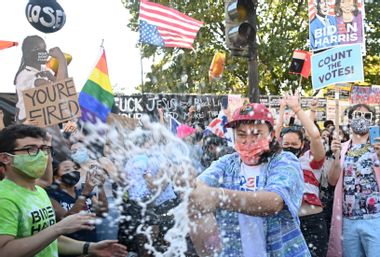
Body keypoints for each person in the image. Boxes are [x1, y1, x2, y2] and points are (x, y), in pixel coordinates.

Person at [189, 103, 310, 257]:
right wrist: (187, 183)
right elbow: (198, 190)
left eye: (256, 133)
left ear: (271, 135)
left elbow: (274, 202)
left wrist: (218, 197)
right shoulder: (226, 163)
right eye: (241, 134)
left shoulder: (284, 161)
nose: (248, 140)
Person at [0, 124, 128, 257]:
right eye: (31, 149)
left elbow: (48, 240)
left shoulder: (39, 191)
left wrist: (90, 248)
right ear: (5, 158)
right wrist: (59, 228)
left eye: (43, 149)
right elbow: (3, 251)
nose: (40, 155)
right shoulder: (4, 198)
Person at [327, 104, 380, 257]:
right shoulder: (341, 148)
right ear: (349, 119)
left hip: (376, 219)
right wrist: (336, 157)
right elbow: (332, 181)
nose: (362, 119)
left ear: (372, 121)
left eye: (367, 116)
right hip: (348, 221)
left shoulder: (377, 146)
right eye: (357, 115)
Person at [280, 94, 328, 257]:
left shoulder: (311, 159)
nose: (290, 147)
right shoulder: (276, 162)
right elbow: (271, 137)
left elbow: (314, 135)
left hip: (313, 222)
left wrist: (298, 109)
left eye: (294, 144)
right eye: (286, 144)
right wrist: (281, 110)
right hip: (287, 224)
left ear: (302, 144)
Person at [46, 159, 108, 244]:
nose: (73, 171)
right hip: (71, 247)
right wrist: (85, 193)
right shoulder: (52, 196)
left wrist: (100, 186)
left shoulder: (81, 191)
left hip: (91, 244)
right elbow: (65, 220)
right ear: (56, 177)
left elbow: (103, 212)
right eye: (67, 169)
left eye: (75, 168)